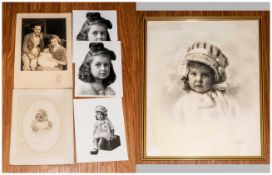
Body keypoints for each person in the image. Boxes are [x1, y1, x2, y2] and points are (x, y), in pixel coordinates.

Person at [173, 41, 236, 121]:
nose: (198, 79)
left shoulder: (224, 101)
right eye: (194, 74)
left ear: (213, 78)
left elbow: (233, 122)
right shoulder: (183, 103)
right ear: (187, 75)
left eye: (205, 75)